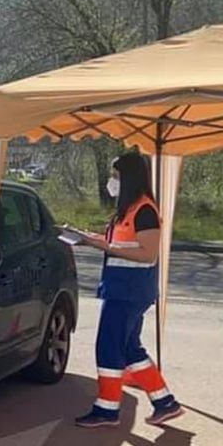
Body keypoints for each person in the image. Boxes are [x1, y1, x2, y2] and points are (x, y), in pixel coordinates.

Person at [72, 153, 184, 429]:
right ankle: (165, 402)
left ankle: (107, 409)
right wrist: (86, 238)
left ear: (129, 178)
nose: (112, 182)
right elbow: (119, 243)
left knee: (109, 347)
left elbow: (147, 254)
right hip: (123, 288)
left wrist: (103, 246)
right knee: (130, 347)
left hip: (129, 291)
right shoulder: (130, 208)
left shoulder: (145, 210)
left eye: (116, 176)